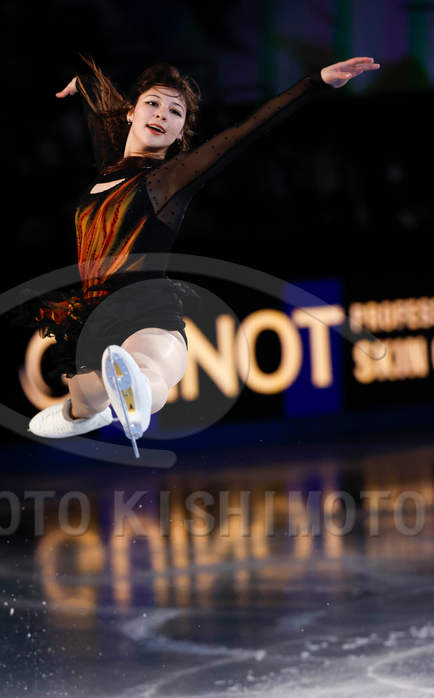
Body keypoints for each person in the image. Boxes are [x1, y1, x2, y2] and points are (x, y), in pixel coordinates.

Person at [28, 54, 379, 456]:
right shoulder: (110, 168)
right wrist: (85, 83)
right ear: (130, 112)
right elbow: (96, 109)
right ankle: (83, 414)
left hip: (146, 311)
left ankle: (138, 399)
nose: (161, 115)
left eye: (175, 112)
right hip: (94, 318)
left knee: (147, 367)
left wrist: (314, 81)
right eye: (153, 104)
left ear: (181, 133)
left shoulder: (167, 180)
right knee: (86, 398)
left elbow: (246, 130)